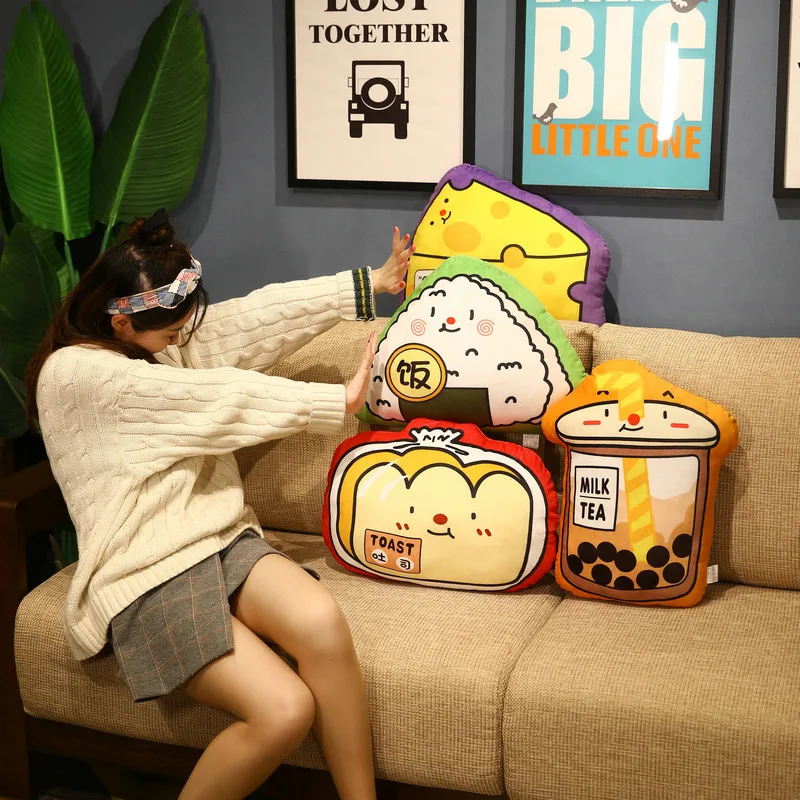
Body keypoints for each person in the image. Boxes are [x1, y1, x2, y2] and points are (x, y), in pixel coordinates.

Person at [25, 209, 415, 800]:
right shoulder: (76, 373)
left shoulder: (152, 342)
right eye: (172, 331)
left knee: (321, 621)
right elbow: (213, 397)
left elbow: (254, 317)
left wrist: (371, 283)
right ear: (121, 323)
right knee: (285, 710)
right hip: (143, 568)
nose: (183, 339)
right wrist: (334, 400)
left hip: (221, 537)